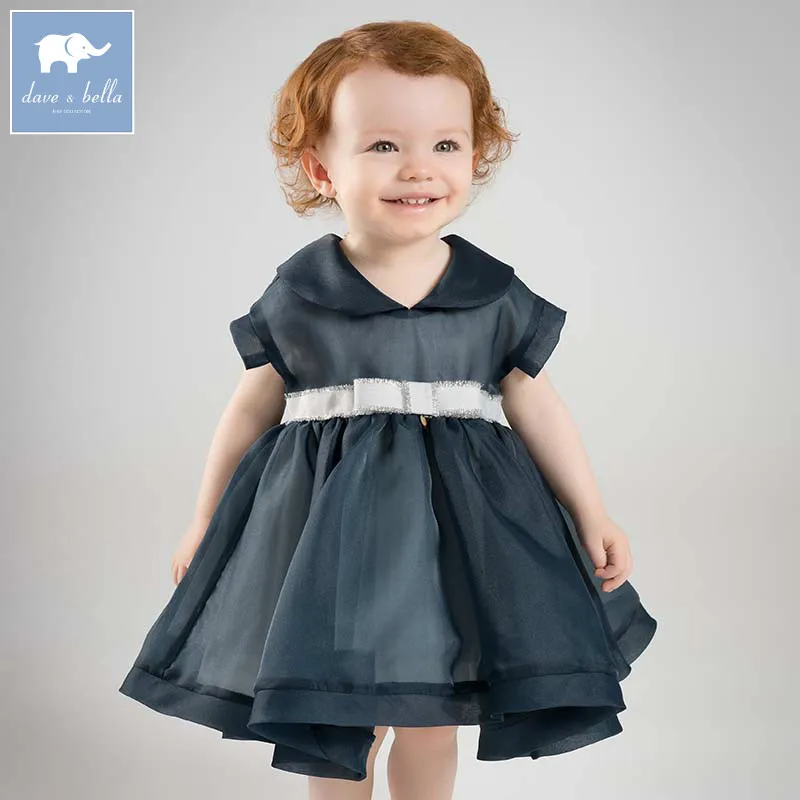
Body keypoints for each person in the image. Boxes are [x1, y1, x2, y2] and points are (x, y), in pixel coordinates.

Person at [118, 19, 657, 800]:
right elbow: (248, 411)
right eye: (382, 145)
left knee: (433, 715)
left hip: (460, 536)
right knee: (341, 709)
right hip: (330, 538)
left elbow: (538, 407)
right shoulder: (300, 295)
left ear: (475, 156)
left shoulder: (493, 295)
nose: (418, 168)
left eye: (446, 144)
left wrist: (592, 511)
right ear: (322, 169)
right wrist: (205, 520)